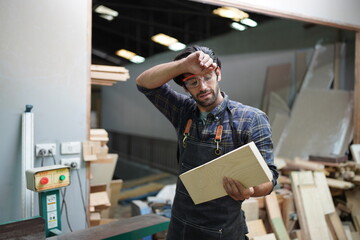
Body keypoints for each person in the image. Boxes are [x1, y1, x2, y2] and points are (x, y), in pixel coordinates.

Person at [136, 45, 278, 240]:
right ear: (185, 87)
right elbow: (144, 83)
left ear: (218, 74)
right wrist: (184, 64)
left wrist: (251, 190)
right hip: (180, 227)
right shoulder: (182, 111)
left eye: (207, 77)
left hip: (222, 232)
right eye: (193, 82)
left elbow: (270, 178)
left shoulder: (251, 119)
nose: (202, 87)